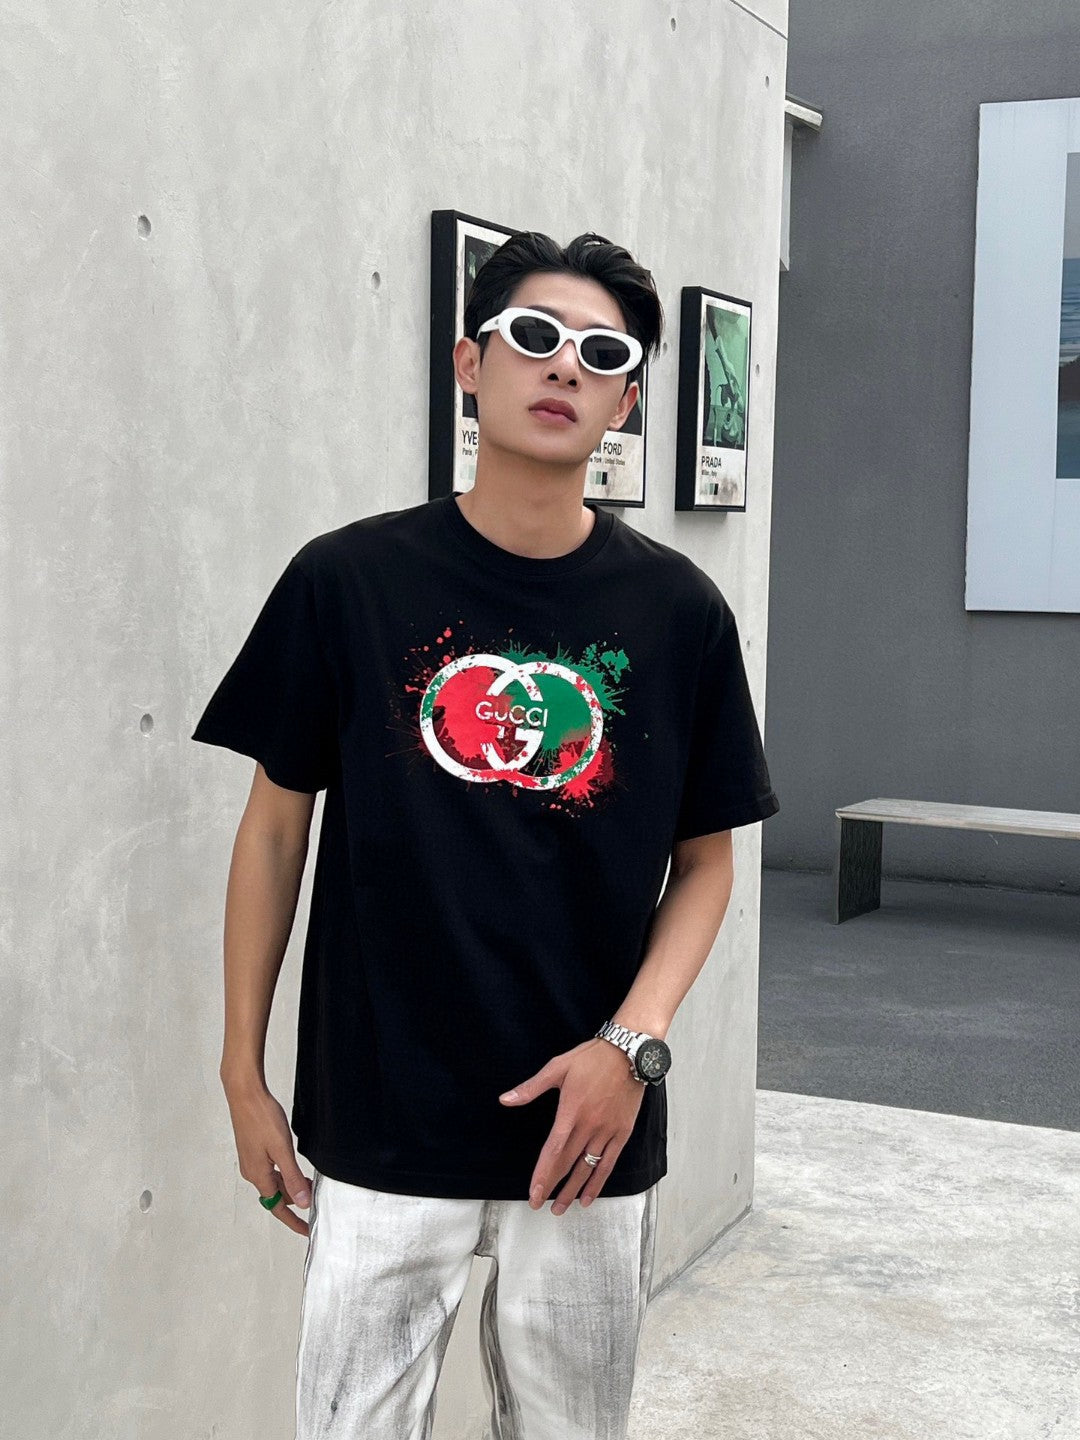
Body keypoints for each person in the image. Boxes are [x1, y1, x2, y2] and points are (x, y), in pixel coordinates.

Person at [191, 229, 780, 1440]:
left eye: (604, 355)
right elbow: (274, 832)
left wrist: (630, 1047)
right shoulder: (348, 581)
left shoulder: (678, 612)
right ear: (470, 363)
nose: (565, 367)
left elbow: (708, 860)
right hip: (380, 1108)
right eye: (535, 336)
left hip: (587, 1122)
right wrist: (242, 1073)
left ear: (626, 402)